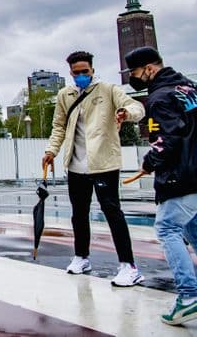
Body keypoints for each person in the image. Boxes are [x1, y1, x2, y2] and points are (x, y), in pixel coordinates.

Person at [42, 50, 145, 286]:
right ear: (70, 73)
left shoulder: (107, 90)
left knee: (112, 213)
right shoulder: (64, 95)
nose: (81, 76)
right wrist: (51, 151)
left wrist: (125, 113)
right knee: (79, 214)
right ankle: (81, 257)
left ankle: (128, 266)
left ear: (92, 70)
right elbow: (58, 126)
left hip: (103, 163)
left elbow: (136, 106)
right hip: (75, 166)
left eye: (85, 72)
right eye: (76, 73)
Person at [123, 46, 197, 325]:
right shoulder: (189, 88)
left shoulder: (160, 97)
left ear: (149, 69)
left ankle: (189, 296)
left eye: (136, 73)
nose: (135, 78)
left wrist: (150, 162)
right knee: (193, 228)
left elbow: (168, 139)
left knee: (167, 228)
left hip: (181, 175)